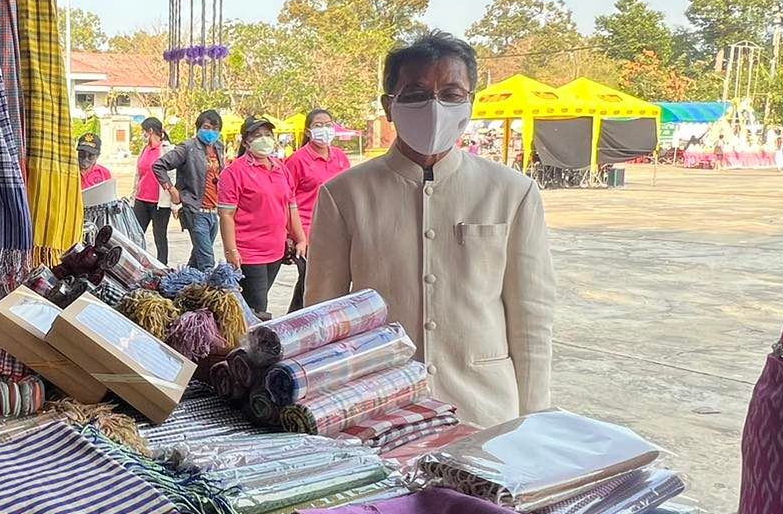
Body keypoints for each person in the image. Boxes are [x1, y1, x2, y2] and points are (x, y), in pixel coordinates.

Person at [306, 31, 556, 429]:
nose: (435, 106)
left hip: (486, 410)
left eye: (452, 93)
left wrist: (534, 418)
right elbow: (322, 317)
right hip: (378, 412)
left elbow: (531, 315)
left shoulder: (512, 192)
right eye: (416, 93)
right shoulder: (344, 195)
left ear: (470, 103)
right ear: (389, 106)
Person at [219, 116, 304, 318]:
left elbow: (291, 205)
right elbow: (226, 214)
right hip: (249, 251)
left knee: (256, 303)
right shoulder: (234, 172)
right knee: (258, 307)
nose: (264, 139)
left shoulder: (280, 168)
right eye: (257, 135)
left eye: (267, 135)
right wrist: (231, 251)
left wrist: (300, 238)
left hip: (275, 249)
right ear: (246, 141)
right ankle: (250, 346)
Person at [285, 107, 349, 311]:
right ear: (307, 131)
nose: (324, 129)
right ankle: (302, 322)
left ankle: (296, 319)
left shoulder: (340, 157)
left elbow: (349, 191)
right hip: (307, 231)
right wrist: (292, 235)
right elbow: (287, 198)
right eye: (318, 125)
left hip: (336, 231)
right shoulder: (297, 160)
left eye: (328, 125)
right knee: (312, 282)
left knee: (325, 282)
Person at [152, 108, 227, 271]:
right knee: (207, 261)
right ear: (198, 128)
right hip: (195, 211)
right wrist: (172, 190)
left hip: (213, 212)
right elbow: (159, 166)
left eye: (215, 129)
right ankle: (209, 295)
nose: (211, 132)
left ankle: (183, 287)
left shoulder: (219, 147)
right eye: (206, 127)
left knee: (196, 260)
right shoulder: (188, 147)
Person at [132, 116, 172, 264]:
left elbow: (172, 176)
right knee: (136, 234)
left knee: (159, 236)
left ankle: (162, 266)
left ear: (149, 131)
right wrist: (133, 195)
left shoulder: (167, 149)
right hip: (142, 199)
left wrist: (174, 204)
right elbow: (138, 174)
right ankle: (135, 262)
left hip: (159, 202)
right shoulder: (144, 149)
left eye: (143, 131)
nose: (143, 135)